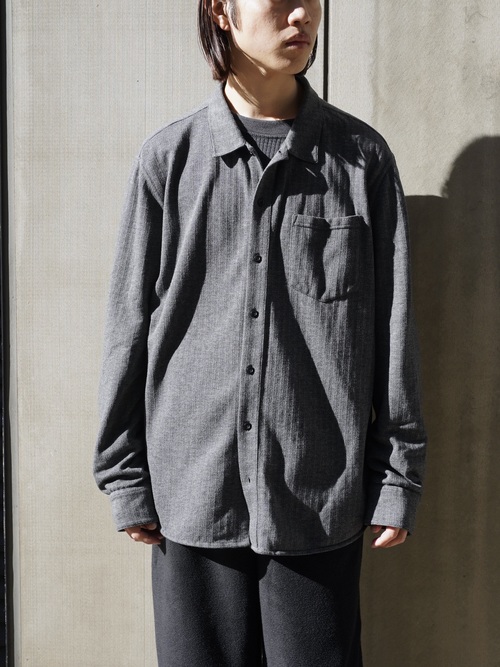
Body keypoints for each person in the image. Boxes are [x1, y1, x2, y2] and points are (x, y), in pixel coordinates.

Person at [94, 1, 427, 665]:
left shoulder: (360, 160)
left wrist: (398, 475)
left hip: (316, 499)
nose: (302, 15)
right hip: (191, 496)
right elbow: (128, 325)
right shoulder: (170, 161)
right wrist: (123, 475)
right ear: (222, 10)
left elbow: (394, 328)